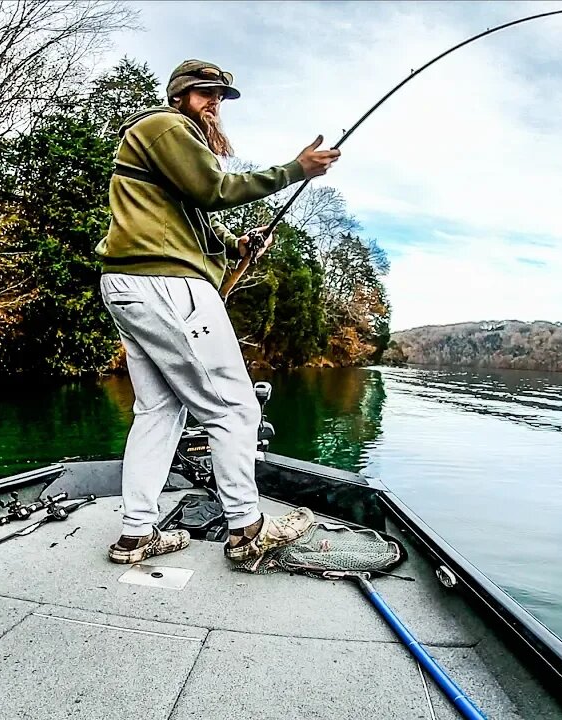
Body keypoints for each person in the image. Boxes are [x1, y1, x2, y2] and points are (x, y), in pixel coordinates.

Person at [96, 59, 341, 565]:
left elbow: (192, 213)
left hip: (131, 285)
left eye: (221, 97)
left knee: (159, 411)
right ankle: (247, 530)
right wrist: (298, 170)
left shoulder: (167, 143)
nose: (215, 103)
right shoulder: (166, 126)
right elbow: (215, 191)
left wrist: (237, 243)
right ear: (181, 94)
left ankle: (136, 534)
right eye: (206, 93)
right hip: (166, 283)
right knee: (234, 408)